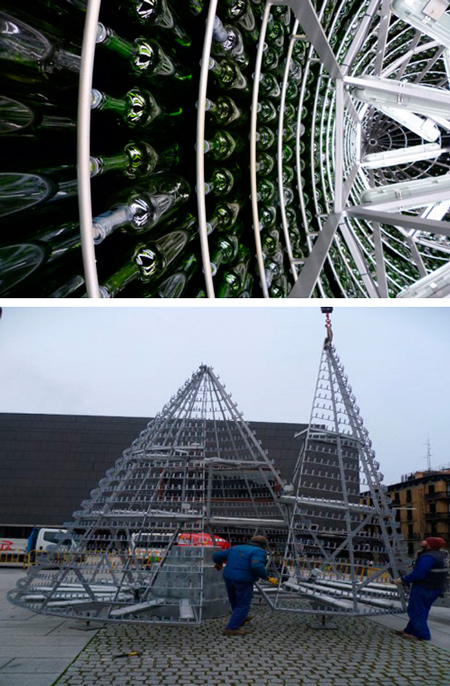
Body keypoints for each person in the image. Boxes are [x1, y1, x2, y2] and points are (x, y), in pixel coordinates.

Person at [213, 535, 271, 636]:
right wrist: (266, 577)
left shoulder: (236, 548)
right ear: (263, 545)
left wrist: (219, 564)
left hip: (228, 577)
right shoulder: (259, 551)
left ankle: (240, 618)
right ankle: (231, 628)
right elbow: (256, 565)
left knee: (234, 601)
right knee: (243, 605)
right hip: (243, 580)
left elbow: (216, 556)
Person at [394, 537, 449, 641]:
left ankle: (422, 634)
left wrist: (402, 579)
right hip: (437, 587)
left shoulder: (428, 557)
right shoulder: (442, 555)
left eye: (426, 541)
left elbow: (419, 574)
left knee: (416, 610)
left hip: (424, 587)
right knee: (422, 609)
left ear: (430, 545)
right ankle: (410, 630)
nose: (422, 541)